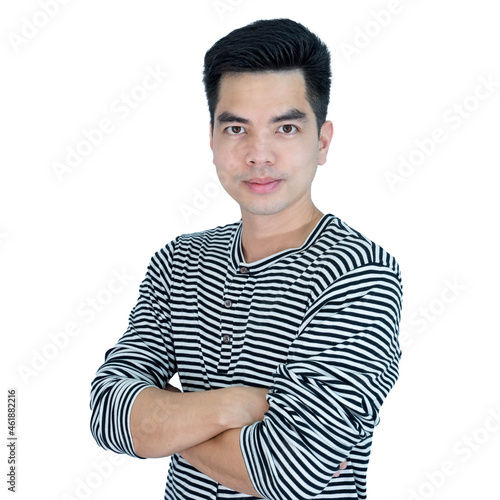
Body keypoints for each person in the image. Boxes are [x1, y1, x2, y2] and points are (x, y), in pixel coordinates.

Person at [90, 18, 403, 500]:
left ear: (321, 142)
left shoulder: (359, 272)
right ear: (212, 139)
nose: (259, 154)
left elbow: (289, 471)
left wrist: (167, 422)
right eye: (236, 128)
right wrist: (240, 404)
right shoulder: (180, 262)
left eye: (286, 128)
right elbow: (108, 413)